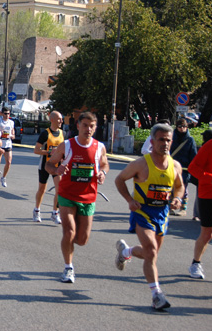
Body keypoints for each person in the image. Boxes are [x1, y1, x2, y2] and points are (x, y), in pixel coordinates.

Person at [114, 123, 184, 310]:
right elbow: (119, 179)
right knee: (151, 250)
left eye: (168, 140)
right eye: (161, 139)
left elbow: (179, 186)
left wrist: (177, 198)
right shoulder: (141, 164)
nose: (165, 143)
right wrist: (129, 199)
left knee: (149, 255)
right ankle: (156, 295)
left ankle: (125, 252)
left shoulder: (175, 165)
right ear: (152, 142)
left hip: (162, 214)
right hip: (143, 213)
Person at [45, 111, 109, 283]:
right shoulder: (67, 146)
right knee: (69, 232)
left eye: (92, 126)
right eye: (85, 125)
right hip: (67, 195)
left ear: (95, 128)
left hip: (88, 197)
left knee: (82, 239)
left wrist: (102, 173)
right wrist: (56, 170)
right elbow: (49, 164)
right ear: (78, 126)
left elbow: (104, 164)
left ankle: (70, 252)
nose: (88, 129)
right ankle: (68, 268)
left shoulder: (99, 147)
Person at [187, 116, 212, 280]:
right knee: (207, 233)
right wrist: (211, 178)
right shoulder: (209, 147)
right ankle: (195, 263)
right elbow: (193, 169)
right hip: (207, 196)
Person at [33, 111, 65, 224]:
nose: (61, 121)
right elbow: (36, 150)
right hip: (44, 165)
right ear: (52, 120)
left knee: (59, 189)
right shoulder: (45, 133)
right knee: (42, 189)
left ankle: (54, 213)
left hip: (57, 166)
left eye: (61, 119)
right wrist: (50, 152)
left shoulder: (62, 133)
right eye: (59, 119)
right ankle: (37, 210)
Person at [168, 118, 197, 216]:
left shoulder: (190, 139)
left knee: (183, 188)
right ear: (176, 127)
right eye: (180, 127)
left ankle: (183, 208)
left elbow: (193, 154)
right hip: (171, 165)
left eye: (184, 127)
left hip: (185, 168)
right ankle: (170, 207)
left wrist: (192, 168)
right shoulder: (171, 137)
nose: (182, 129)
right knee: (170, 187)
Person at [0, 107, 15, 188]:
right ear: (2, 114)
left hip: (8, 143)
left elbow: (13, 132)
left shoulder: (11, 122)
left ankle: (3, 177)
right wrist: (0, 133)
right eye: (5, 113)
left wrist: (12, 135)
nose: (7, 115)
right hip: (0, 144)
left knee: (9, 162)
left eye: (8, 113)